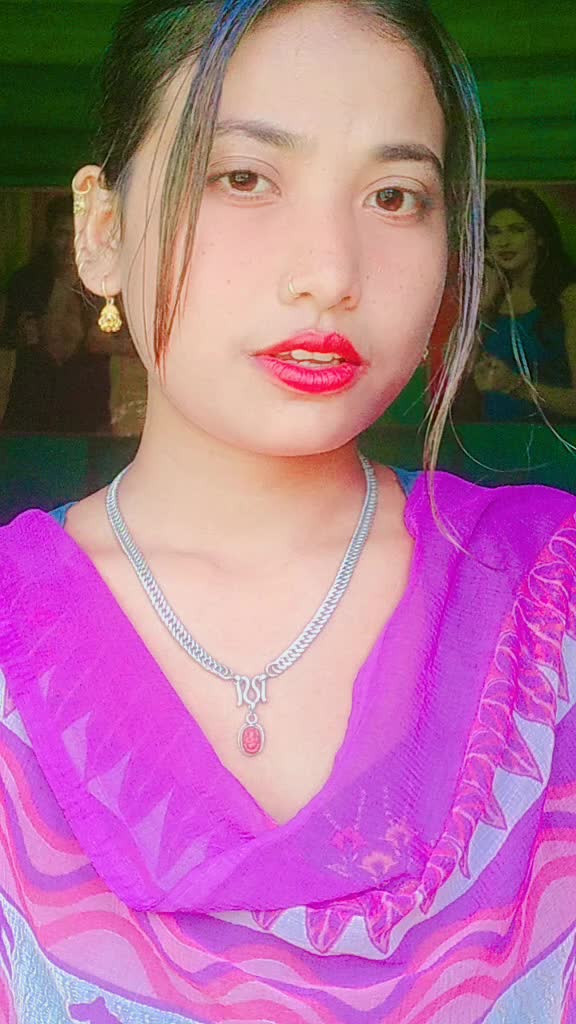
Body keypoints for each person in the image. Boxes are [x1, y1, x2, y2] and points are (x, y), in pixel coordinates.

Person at [0, 2, 575, 1022]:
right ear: (102, 232)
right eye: (243, 177)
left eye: (395, 196)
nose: (331, 275)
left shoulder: (551, 596)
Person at [1, 196, 133, 433]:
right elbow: (6, 337)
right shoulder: (26, 281)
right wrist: (18, 335)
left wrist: (109, 344)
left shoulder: (106, 285)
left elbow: (142, 347)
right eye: (62, 234)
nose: (69, 244)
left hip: (87, 408)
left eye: (76, 234)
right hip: (31, 408)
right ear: (49, 236)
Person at [473, 187, 576, 421]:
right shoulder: (491, 299)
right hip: (492, 438)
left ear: (540, 237)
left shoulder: (568, 299)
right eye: (495, 233)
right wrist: (488, 299)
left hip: (552, 439)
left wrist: (515, 385)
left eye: (517, 230)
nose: (504, 242)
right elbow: (456, 376)